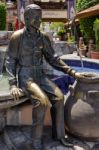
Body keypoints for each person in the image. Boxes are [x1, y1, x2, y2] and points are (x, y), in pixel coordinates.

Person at [6, 4, 87, 150]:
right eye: (36, 17)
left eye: (40, 16)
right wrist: (12, 84)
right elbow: (10, 60)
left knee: (59, 97)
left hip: (40, 75)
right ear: (27, 18)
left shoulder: (43, 37)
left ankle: (60, 136)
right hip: (26, 76)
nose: (39, 20)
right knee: (42, 102)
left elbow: (53, 58)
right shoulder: (17, 36)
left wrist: (72, 72)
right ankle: (35, 141)